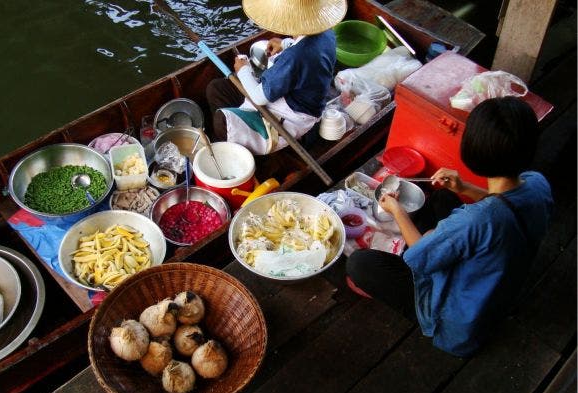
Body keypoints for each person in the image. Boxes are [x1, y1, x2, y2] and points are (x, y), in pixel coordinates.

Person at [346, 97, 553, 357]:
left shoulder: (475, 220)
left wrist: (396, 210)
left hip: (456, 323)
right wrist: (464, 188)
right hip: (496, 278)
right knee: (443, 199)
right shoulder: (537, 182)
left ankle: (424, 313)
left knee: (359, 264)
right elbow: (506, 204)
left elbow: (419, 253)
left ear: (473, 153)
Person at [205, 0, 346, 155]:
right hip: (302, 96)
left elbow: (259, 98)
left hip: (292, 116)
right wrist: (286, 44)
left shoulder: (295, 57)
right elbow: (308, 48)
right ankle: (239, 129)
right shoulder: (326, 32)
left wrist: (243, 69)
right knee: (216, 88)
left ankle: (240, 150)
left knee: (220, 121)